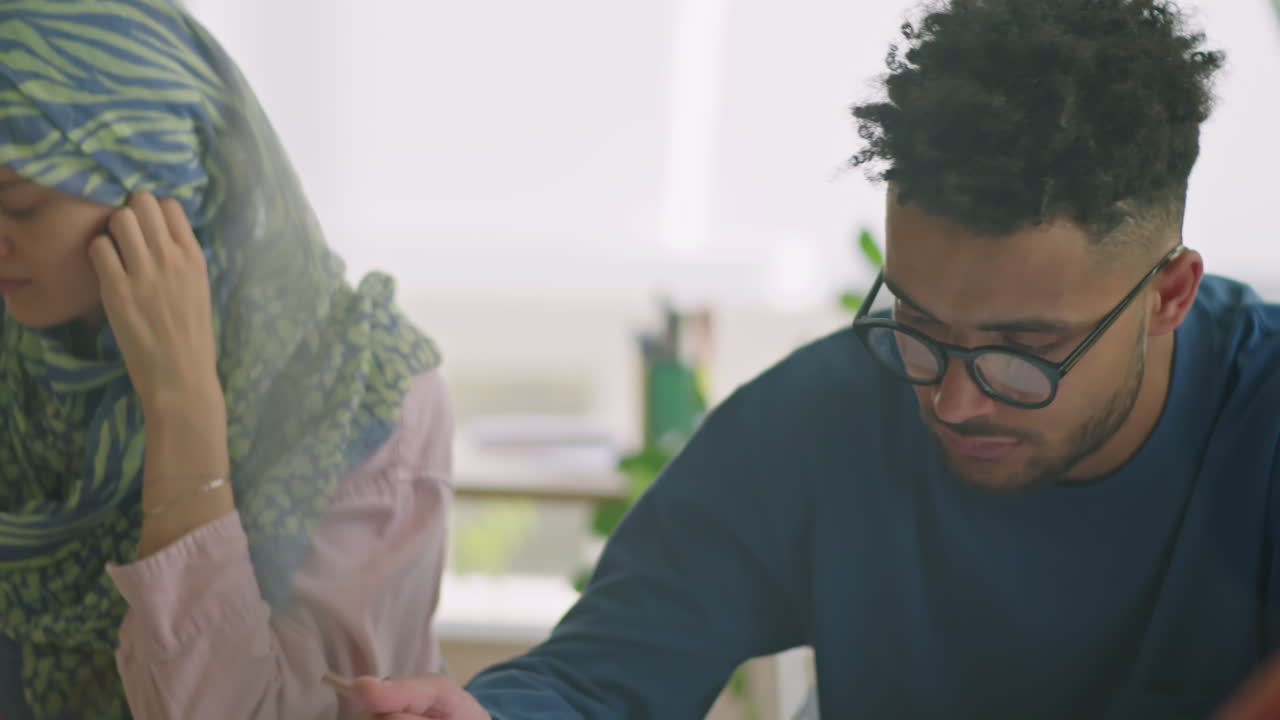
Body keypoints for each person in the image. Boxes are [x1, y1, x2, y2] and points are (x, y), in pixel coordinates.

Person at [348, 0, 1280, 718]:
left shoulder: (1263, 423)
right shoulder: (817, 421)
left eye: (1024, 350)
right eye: (917, 324)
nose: (953, 401)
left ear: (1168, 295)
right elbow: (600, 679)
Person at [0, 1, 451, 718]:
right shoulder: (21, 362)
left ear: (160, 196)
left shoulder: (364, 394)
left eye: (19, 206)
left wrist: (181, 404)